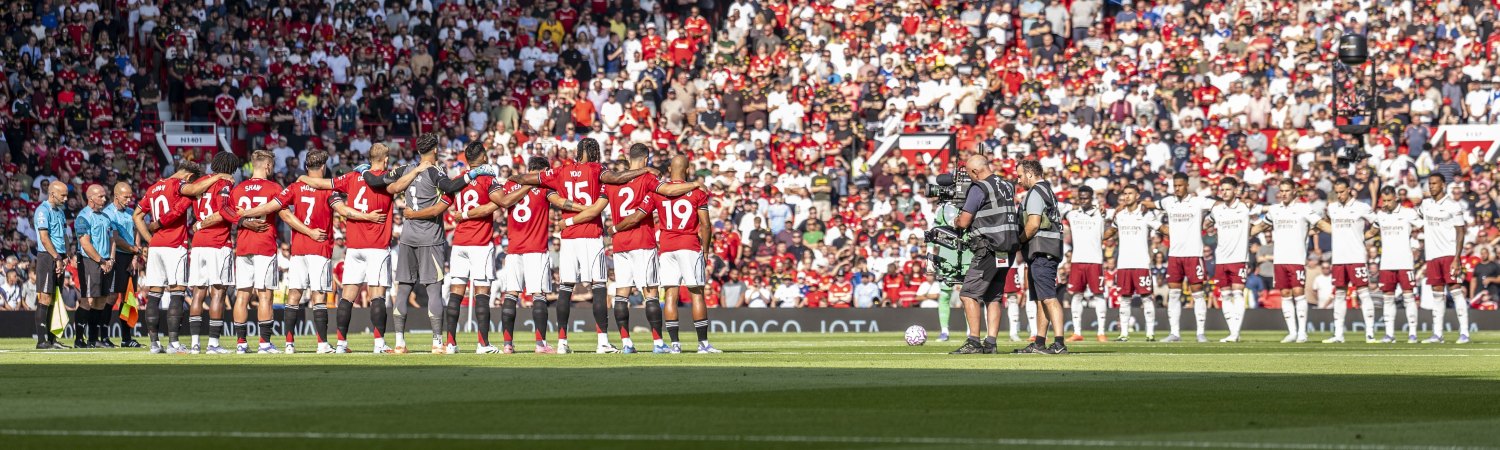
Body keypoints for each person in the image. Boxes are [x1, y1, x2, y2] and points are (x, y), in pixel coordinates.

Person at [362, 133, 496, 354]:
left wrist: (364, 170)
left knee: (403, 289)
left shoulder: (404, 170)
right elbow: (451, 187)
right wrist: (473, 174)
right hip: (430, 237)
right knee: (434, 290)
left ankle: (399, 343)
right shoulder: (435, 171)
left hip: (406, 237)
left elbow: (376, 181)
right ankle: (436, 342)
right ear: (435, 150)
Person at [238, 150, 378, 354]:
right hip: (319, 247)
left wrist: (247, 214)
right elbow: (345, 211)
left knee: (294, 295)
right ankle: (322, 344)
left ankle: (289, 345)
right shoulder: (329, 191)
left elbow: (273, 206)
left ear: (306, 167)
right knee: (318, 295)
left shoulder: (294, 187)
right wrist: (369, 217)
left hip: (298, 249)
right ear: (323, 167)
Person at [295, 143, 398, 354]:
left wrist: (303, 178)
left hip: (354, 247)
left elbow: (325, 184)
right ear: (385, 160)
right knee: (377, 295)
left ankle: (341, 344)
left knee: (347, 296)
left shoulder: (352, 177)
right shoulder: (386, 177)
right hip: (376, 245)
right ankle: (379, 344)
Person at [493, 156, 577, 354]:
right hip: (536, 249)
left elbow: (502, 202)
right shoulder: (545, 189)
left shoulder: (512, 185)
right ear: (542, 172)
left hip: (513, 250)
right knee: (539, 295)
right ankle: (540, 344)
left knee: (511, 295)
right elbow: (562, 202)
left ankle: (507, 344)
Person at [645, 155, 719, 353]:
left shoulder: (659, 192)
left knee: (670, 295)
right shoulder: (696, 191)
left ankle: (675, 345)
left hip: (667, 247)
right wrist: (705, 250)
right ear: (687, 170)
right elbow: (705, 225)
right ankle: (703, 344)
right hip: (689, 245)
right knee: (697, 294)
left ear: (670, 169)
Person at [949, 154, 1021, 355]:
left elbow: (964, 221)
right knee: (994, 297)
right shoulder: (1006, 185)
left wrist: (955, 220)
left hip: (988, 248)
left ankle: (973, 341)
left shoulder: (979, 187)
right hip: (1008, 248)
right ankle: (991, 343)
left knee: (968, 294)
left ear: (974, 172)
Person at [218, 150, 283, 354]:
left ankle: (241, 343)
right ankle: (264, 344)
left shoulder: (238, 189)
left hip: (244, 245)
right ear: (267, 166)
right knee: (265, 296)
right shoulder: (274, 187)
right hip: (264, 244)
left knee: (242, 296)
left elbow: (228, 213)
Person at [135, 161, 204, 353]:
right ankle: (174, 343)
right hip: (174, 245)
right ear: (189, 177)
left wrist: (150, 240)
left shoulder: (154, 187)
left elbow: (137, 216)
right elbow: (194, 191)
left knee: (154, 295)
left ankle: (154, 344)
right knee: (177, 293)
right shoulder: (179, 185)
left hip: (156, 246)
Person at [445, 142, 503, 353]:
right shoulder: (488, 178)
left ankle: (450, 344)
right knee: (482, 294)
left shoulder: (459, 179)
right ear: (484, 156)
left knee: (456, 294)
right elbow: (500, 201)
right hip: (480, 242)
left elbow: (446, 199)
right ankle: (483, 344)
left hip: (459, 242)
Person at [181, 153, 243, 354]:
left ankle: (195, 344)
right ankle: (213, 344)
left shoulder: (200, 182)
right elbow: (223, 211)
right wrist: (241, 218)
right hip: (218, 242)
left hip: (198, 243)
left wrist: (199, 223)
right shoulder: (224, 183)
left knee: (199, 292)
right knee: (218, 293)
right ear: (231, 167)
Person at [1254, 179, 1320, 344]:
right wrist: (1243, 233)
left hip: (1296, 258)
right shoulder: (1275, 210)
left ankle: (1303, 332)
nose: (1283, 193)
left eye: (1286, 190)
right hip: (1279, 259)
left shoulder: (1303, 208)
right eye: (1281, 190)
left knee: (1298, 293)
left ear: (1294, 192)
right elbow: (1261, 226)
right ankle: (1292, 332)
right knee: (1285, 294)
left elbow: (1318, 224)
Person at [1314, 178, 1378, 344]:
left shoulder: (1361, 207)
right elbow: (1328, 223)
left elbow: (1377, 222)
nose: (1340, 195)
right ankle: (1338, 334)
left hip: (1356, 257)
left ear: (1349, 190)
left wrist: (1367, 236)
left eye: (1342, 191)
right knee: (1340, 295)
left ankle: (1370, 334)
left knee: (1363, 293)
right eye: (1337, 192)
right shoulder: (1333, 208)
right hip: (1339, 258)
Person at [1157, 172, 1217, 343]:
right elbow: (1151, 204)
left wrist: (1210, 219)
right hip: (1175, 255)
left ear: (1187, 185)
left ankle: (1200, 333)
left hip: (1194, 254)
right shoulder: (1169, 202)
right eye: (1174, 185)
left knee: (1198, 294)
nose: (1177, 188)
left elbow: (1219, 205)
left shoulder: (1198, 201)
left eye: (1180, 185)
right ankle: (1174, 333)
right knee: (1174, 294)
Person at [1015, 160, 1067, 355]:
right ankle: (1039, 342)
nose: (1018, 180)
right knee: (1040, 299)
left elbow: (1034, 224)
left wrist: (1018, 242)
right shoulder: (1048, 191)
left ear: (1030, 174)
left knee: (1049, 298)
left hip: (1042, 251)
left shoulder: (1035, 192)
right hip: (1046, 250)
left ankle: (1060, 343)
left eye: (1020, 175)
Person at [1418, 174, 1472, 344]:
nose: (1432, 186)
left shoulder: (1452, 206)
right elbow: (1417, 217)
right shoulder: (1425, 204)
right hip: (1432, 256)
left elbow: (1460, 232)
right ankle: (1437, 334)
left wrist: (1457, 257)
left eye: (1435, 183)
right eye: (1430, 184)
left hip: (1449, 254)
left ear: (1443, 185)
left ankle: (1464, 333)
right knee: (1437, 295)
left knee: (1456, 291)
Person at [1368, 186, 1424, 343]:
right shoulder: (1380, 215)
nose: (1386, 203)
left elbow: (1423, 225)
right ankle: (1389, 334)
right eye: (1383, 200)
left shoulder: (1407, 213)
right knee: (1388, 298)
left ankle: (1412, 333)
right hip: (1386, 263)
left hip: (1405, 262)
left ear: (1396, 199)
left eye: (1389, 200)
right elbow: (1372, 232)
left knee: (1408, 297)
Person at [1208, 177, 1259, 342]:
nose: (1224, 192)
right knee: (1225, 295)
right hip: (1221, 258)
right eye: (1222, 189)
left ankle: (1235, 333)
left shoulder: (1244, 207)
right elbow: (1206, 223)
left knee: (1237, 294)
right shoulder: (1217, 210)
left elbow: (1265, 209)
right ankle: (1233, 333)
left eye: (1227, 189)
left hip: (1238, 258)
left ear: (1236, 191)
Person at [1063, 185, 1111, 343]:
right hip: (1077, 261)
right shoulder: (1072, 214)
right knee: (1076, 295)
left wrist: (1101, 208)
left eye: (1086, 198)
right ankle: (1077, 332)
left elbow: (1118, 213)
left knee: (1098, 295)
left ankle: (1101, 332)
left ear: (1092, 198)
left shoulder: (1100, 213)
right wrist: (1072, 205)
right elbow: (1056, 205)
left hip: (1095, 261)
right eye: (1081, 198)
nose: (1083, 201)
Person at [1111, 184, 1159, 342]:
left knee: (1146, 298)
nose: (1127, 196)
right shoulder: (1119, 215)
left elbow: (1161, 227)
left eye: (1130, 193)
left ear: (1138, 196)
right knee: (1124, 299)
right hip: (1123, 263)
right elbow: (1110, 230)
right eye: (1125, 194)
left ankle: (1150, 333)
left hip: (1141, 263)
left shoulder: (1146, 214)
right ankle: (1124, 333)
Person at [74, 184, 115, 349]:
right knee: (88, 300)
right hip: (90, 261)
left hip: (106, 261)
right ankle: (78, 340)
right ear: (91, 198)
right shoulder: (83, 217)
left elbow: (112, 239)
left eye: (105, 196)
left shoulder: (106, 217)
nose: (105, 199)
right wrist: (101, 261)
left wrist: (111, 259)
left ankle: (93, 339)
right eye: (101, 196)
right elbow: (85, 243)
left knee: (101, 300)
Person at [31, 181, 71, 349]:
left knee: (55, 298)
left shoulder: (60, 212)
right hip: (47, 257)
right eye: (63, 195)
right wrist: (57, 258)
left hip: (59, 257)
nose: (66, 198)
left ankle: (53, 340)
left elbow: (65, 235)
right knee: (45, 298)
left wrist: (67, 255)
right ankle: (42, 340)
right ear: (52, 194)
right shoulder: (42, 210)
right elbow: (44, 238)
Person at [102, 182, 140, 349]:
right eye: (126, 197)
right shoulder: (108, 213)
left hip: (130, 257)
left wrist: (135, 256)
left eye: (131, 196)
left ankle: (126, 338)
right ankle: (103, 336)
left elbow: (137, 231)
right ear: (116, 196)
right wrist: (134, 249)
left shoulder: (132, 213)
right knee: (111, 297)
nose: (129, 200)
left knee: (128, 297)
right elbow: (115, 239)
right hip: (115, 256)